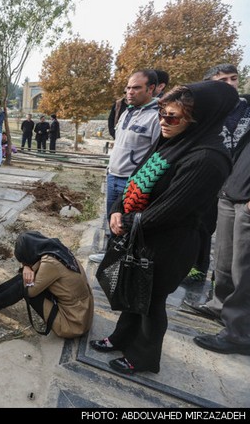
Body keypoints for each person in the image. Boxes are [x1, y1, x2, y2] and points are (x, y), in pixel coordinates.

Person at [90, 81, 238, 375]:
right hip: (143, 234)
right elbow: (137, 178)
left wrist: (128, 221)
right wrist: (118, 208)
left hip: (171, 243)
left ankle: (144, 357)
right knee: (135, 292)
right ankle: (122, 338)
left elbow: (173, 209)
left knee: (152, 301)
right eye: (162, 114)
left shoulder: (208, 158)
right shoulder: (172, 140)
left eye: (172, 117)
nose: (163, 122)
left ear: (200, 118)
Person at [187, 65, 250, 356]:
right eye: (221, 81)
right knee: (224, 259)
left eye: (232, 79)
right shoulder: (214, 113)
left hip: (247, 195)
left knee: (244, 267)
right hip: (227, 190)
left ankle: (239, 332)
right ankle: (219, 306)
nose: (228, 85)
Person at [89, 70, 161, 263]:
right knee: (111, 219)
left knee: (126, 224)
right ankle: (110, 256)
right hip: (113, 175)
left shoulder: (155, 118)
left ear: (151, 89)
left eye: (136, 88)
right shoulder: (126, 112)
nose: (130, 92)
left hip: (133, 182)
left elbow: (157, 154)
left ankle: (126, 261)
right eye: (128, 87)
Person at [0, 231, 93, 339]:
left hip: (72, 322)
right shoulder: (53, 247)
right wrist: (26, 266)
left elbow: (30, 292)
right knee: (26, 277)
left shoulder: (51, 263)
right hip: (81, 310)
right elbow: (35, 267)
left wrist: (26, 267)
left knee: (24, 286)